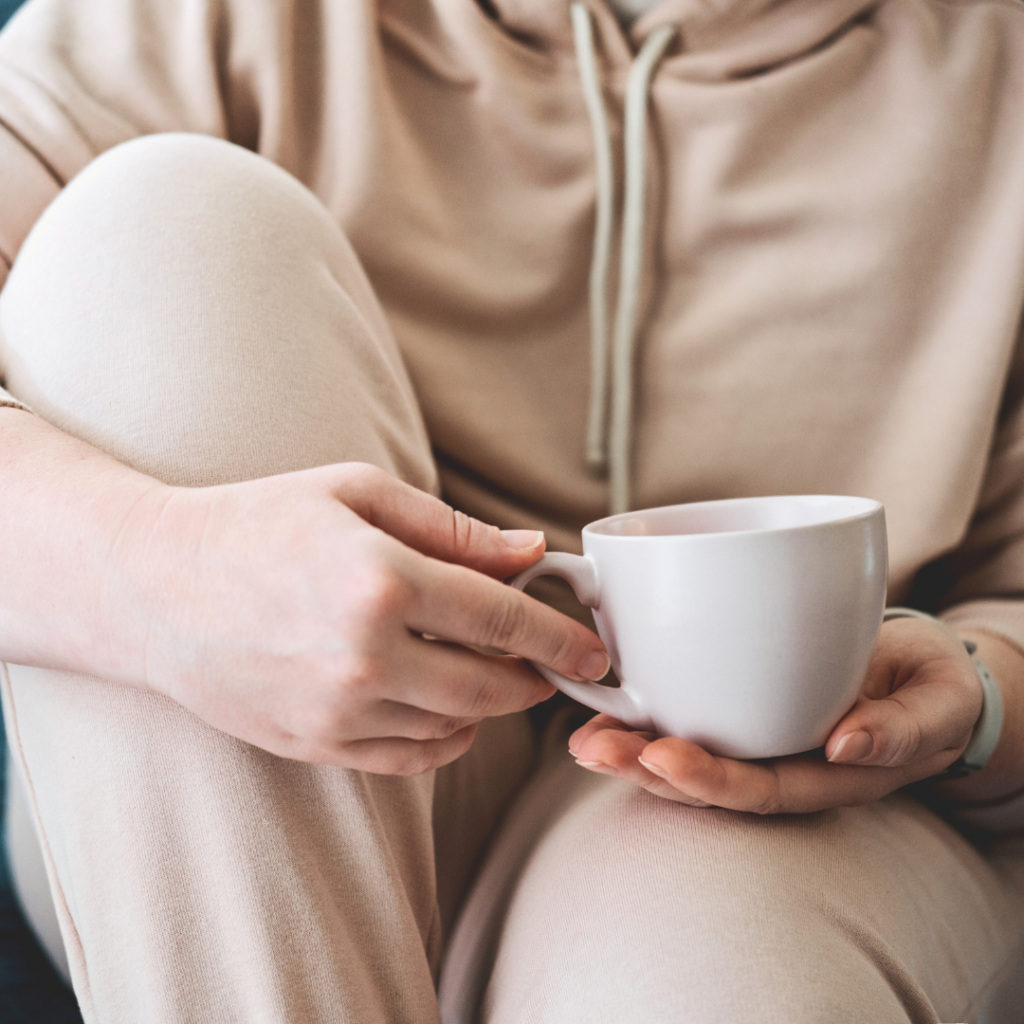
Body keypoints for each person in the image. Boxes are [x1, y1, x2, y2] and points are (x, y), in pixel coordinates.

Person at [0, 0, 1023, 1021]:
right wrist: (151, 570)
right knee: (156, 224)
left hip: (804, 809)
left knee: (710, 972)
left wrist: (978, 703)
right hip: (240, 810)